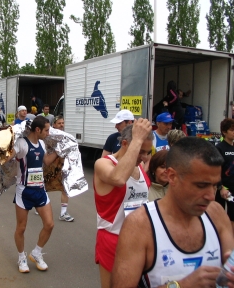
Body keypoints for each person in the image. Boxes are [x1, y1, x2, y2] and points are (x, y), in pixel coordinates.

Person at [110, 137, 234, 288]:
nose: (210, 196)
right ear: (172, 176)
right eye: (201, 185)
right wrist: (180, 285)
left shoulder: (216, 214)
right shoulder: (140, 225)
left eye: (215, 186)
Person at [93, 119, 153, 288]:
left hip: (140, 239)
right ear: (125, 143)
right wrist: (137, 140)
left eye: (147, 152)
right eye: (141, 150)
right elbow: (118, 179)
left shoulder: (139, 165)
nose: (144, 157)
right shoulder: (104, 163)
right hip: (114, 238)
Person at [5, 116, 58, 273]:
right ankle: (21, 257)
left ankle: (36, 253)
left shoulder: (41, 143)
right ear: (38, 129)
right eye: (46, 130)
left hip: (40, 191)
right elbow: (8, 157)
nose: (48, 133)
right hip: (24, 191)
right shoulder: (22, 144)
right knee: (21, 228)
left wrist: (59, 150)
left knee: (49, 224)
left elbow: (46, 161)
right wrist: (4, 148)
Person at [43, 116, 74, 221]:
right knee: (44, 186)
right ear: (54, 125)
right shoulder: (48, 135)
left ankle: (63, 213)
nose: (62, 125)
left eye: (63, 123)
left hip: (62, 165)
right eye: (59, 123)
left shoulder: (66, 136)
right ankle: (40, 205)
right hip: (49, 165)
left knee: (65, 187)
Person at [214, 118, 234, 234]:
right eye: (232, 130)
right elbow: (216, 169)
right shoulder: (220, 148)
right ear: (224, 132)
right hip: (223, 190)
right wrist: (220, 187)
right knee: (222, 217)